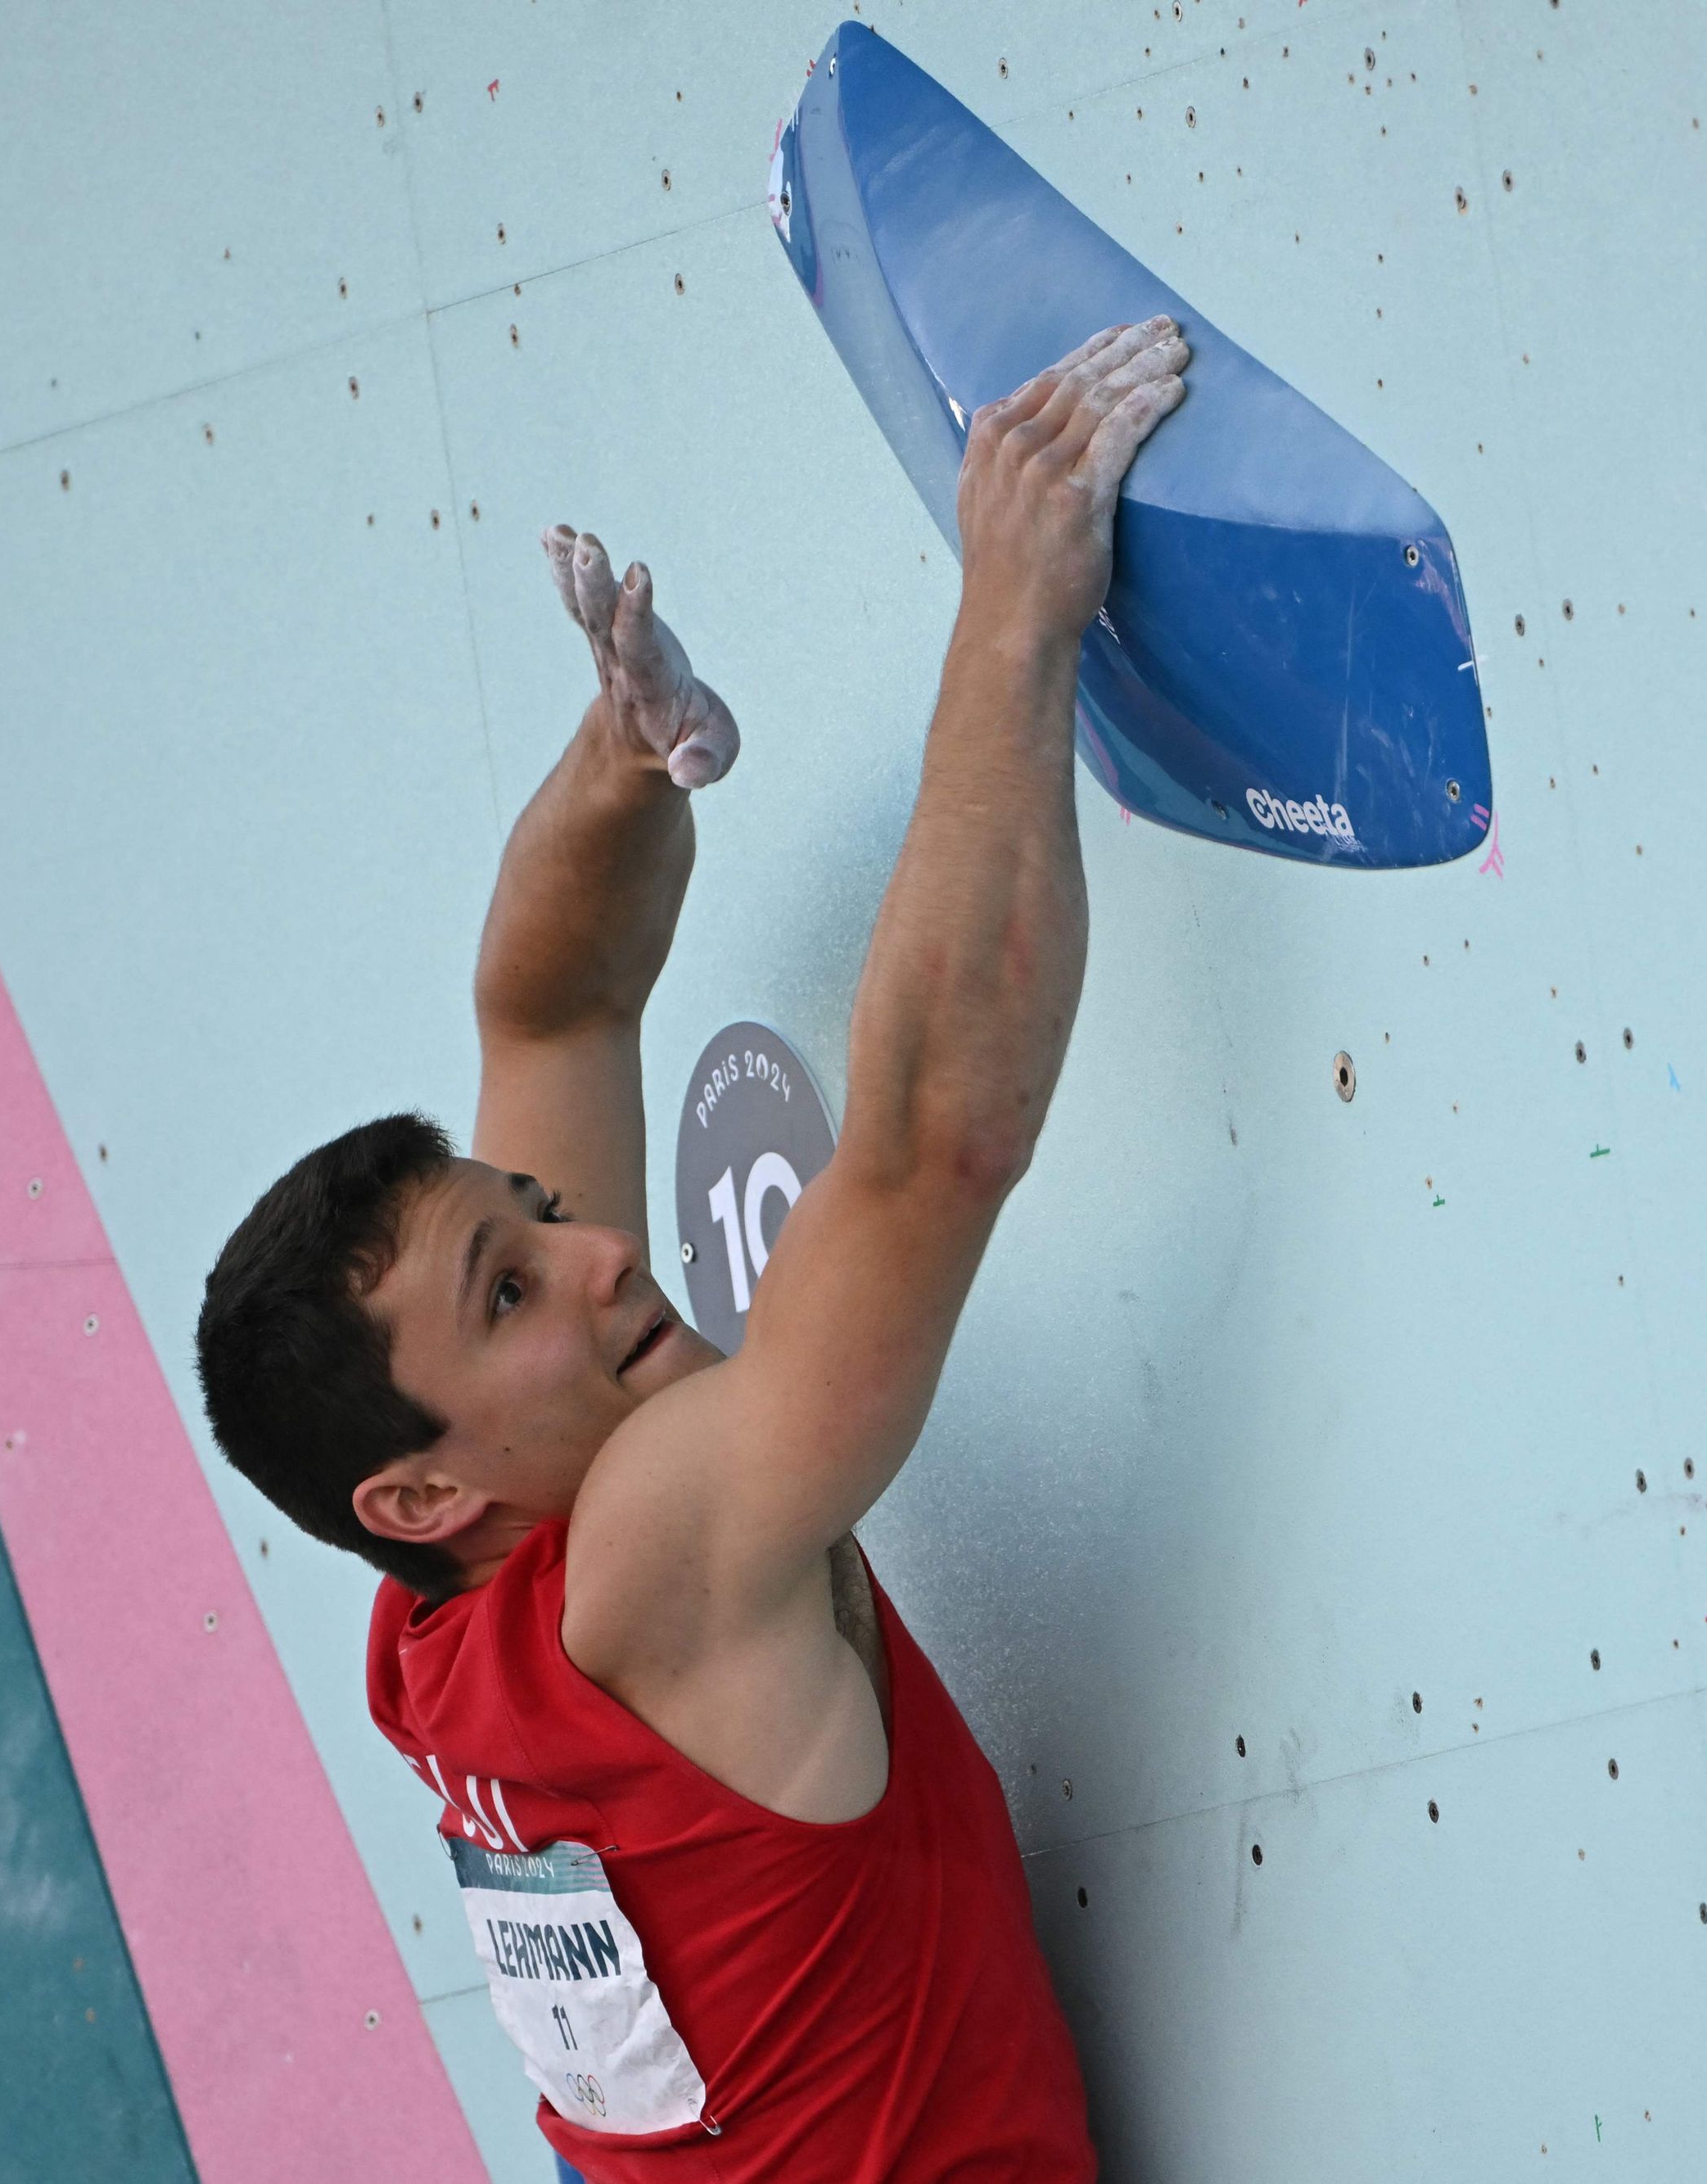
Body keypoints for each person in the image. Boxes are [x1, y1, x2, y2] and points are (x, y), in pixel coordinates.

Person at [194, 315, 1190, 2178]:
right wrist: (1009, 616)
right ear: (411, 1491)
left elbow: (551, 1009)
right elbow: (924, 1151)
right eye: (508, 1292)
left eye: (535, 1226)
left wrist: (625, 758)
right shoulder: (644, 1552)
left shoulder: (443, 1630)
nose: (594, 1261)